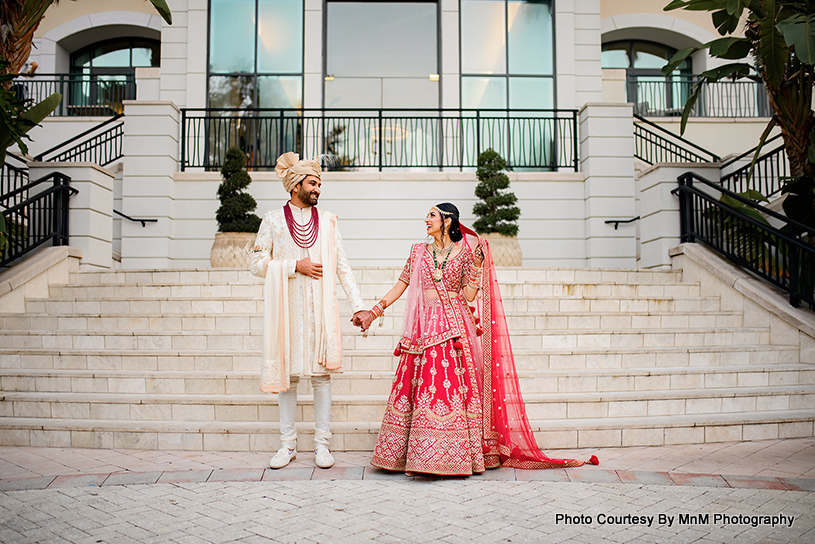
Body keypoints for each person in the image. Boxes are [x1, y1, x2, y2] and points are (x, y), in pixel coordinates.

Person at [362, 203, 598, 475]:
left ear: (447, 221)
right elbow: (401, 284)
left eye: (431, 215)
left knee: (446, 388)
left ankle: (451, 456)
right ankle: (417, 455)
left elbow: (470, 294)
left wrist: (476, 264)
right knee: (423, 386)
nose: (425, 219)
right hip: (424, 328)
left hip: (453, 328)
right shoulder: (418, 252)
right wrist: (374, 310)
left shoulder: (463, 253)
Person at [250, 152, 373, 469]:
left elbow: (342, 267)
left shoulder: (329, 221)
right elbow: (256, 264)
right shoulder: (273, 221)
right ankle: (287, 445)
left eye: (319, 183)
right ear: (295, 186)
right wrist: (294, 266)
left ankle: (322, 445)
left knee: (321, 379)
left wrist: (358, 306)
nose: (318, 189)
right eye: (313, 183)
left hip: (321, 312)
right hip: (286, 311)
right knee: (288, 379)